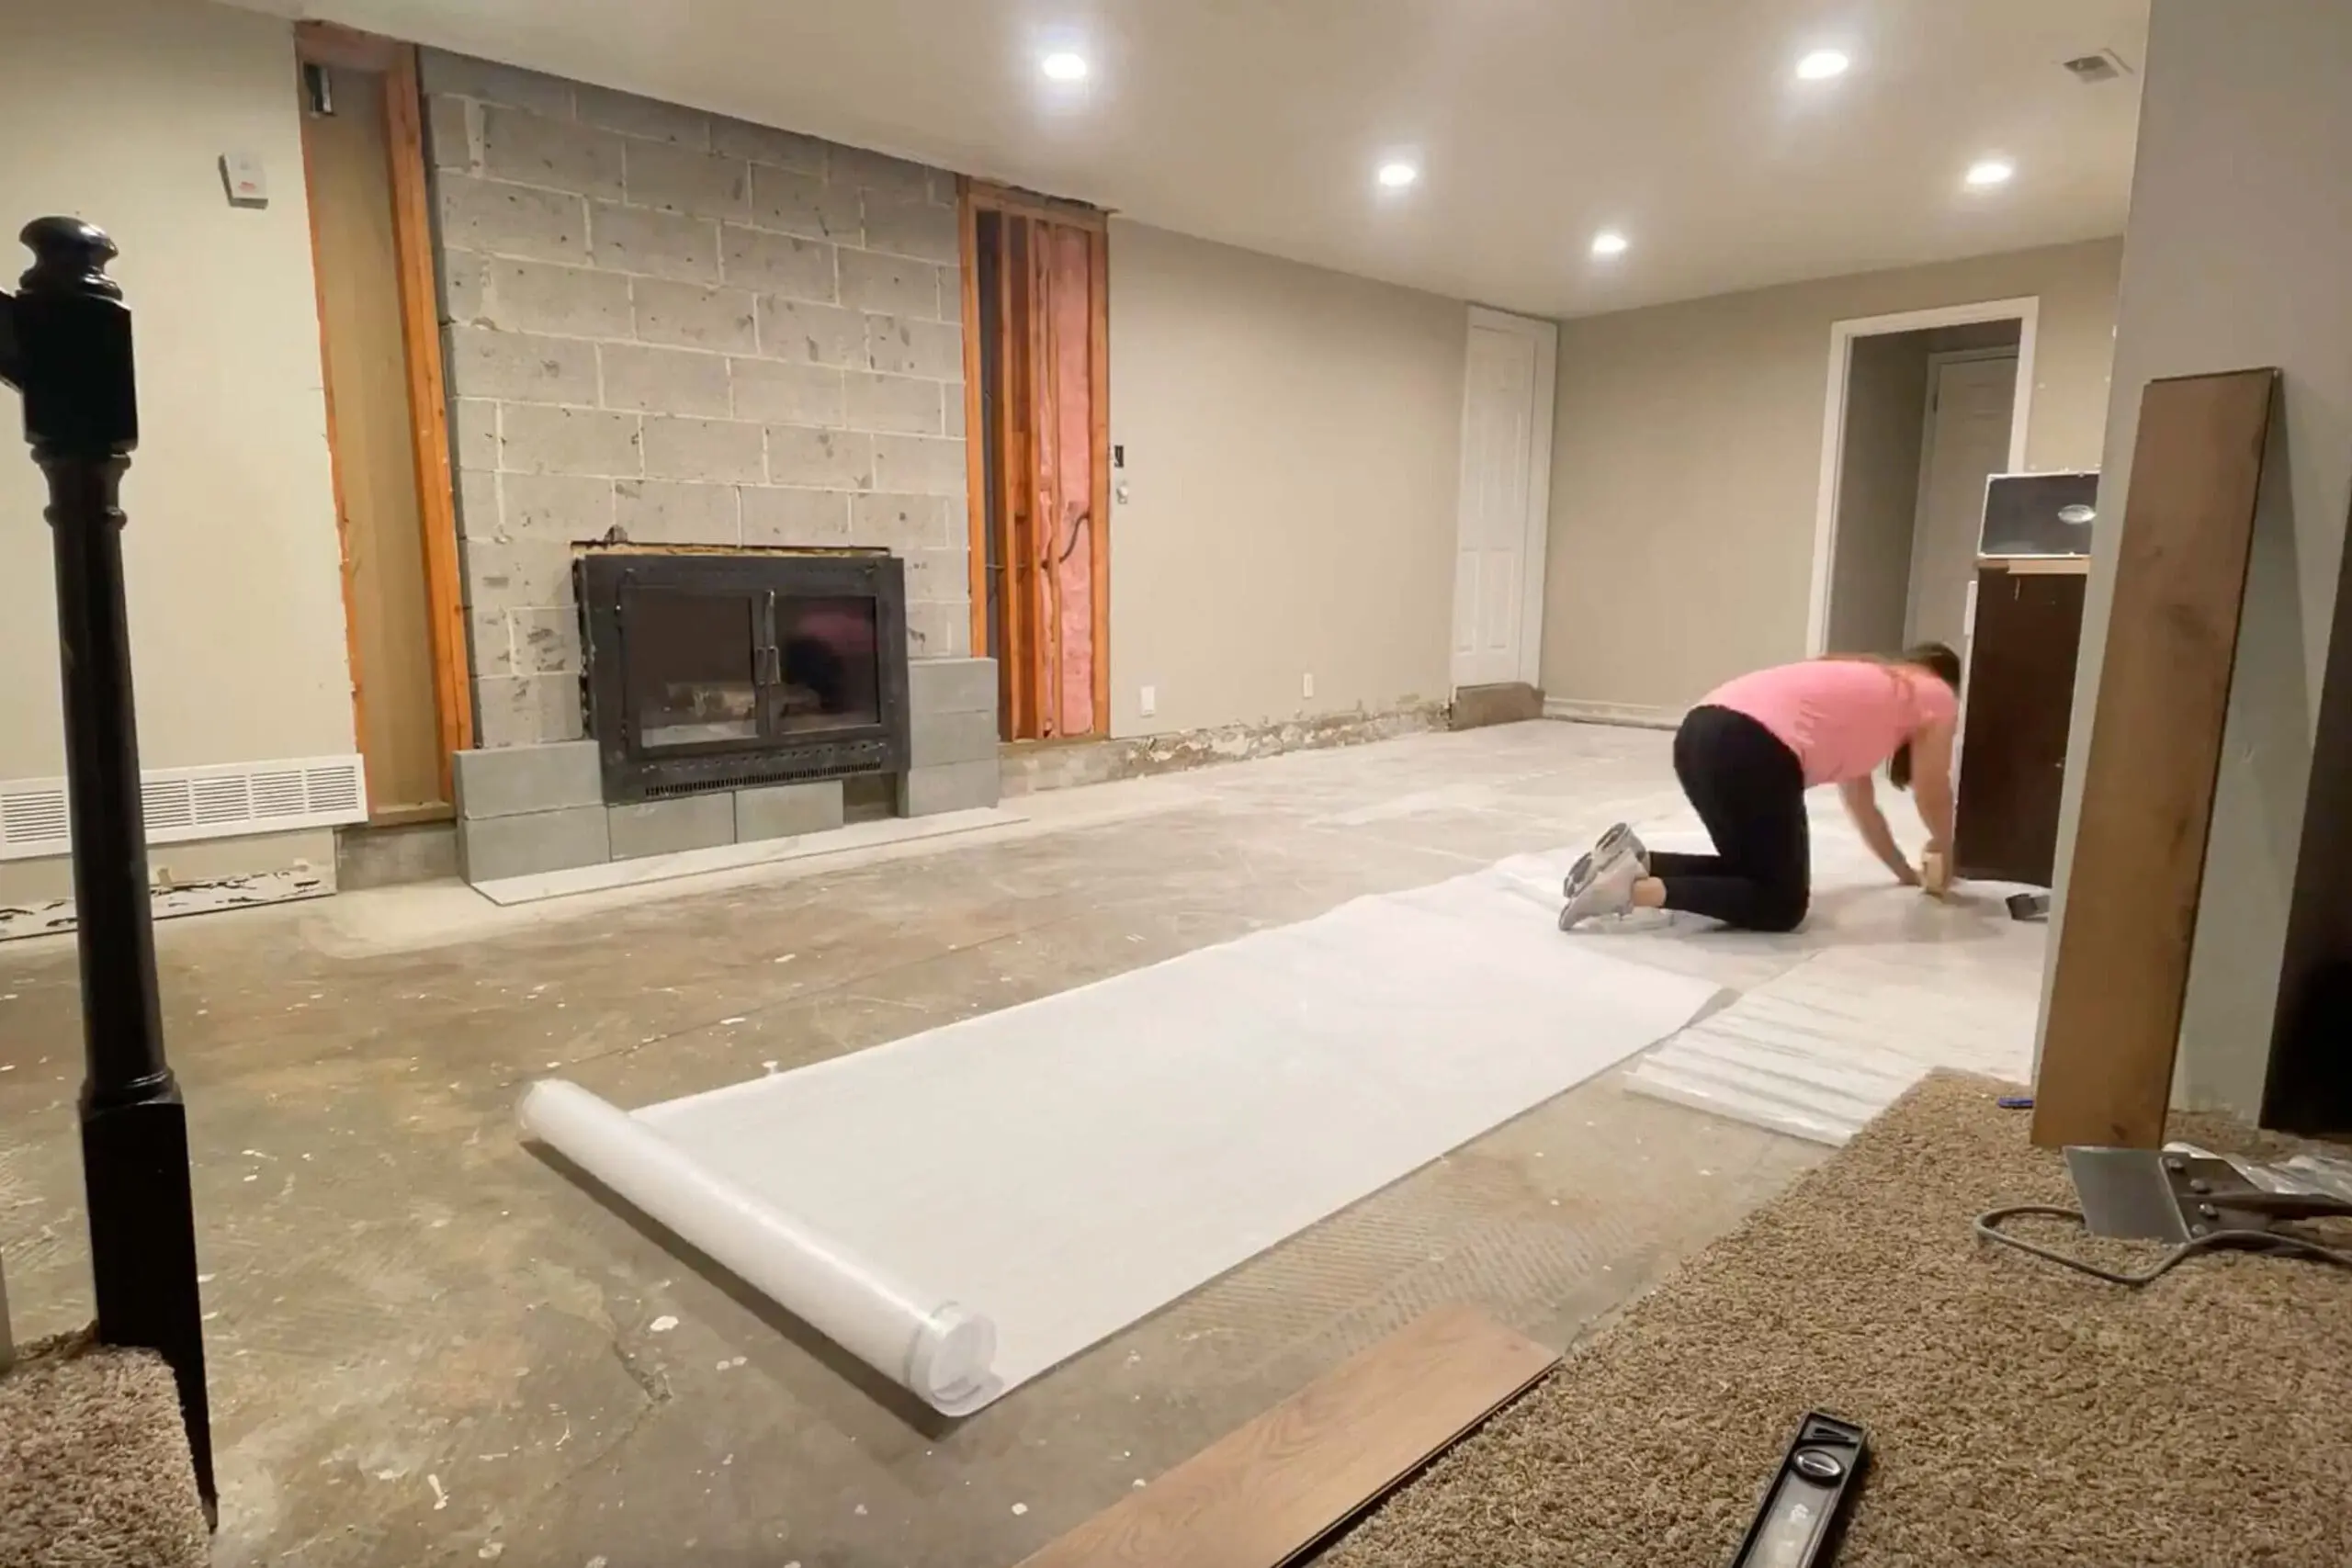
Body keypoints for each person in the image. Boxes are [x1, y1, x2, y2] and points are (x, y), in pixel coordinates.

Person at [1557, 644, 1962, 933]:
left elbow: (1864, 808)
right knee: (1781, 905)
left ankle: (1634, 860)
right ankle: (1631, 891)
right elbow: (1932, 789)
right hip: (1754, 747)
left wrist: (1904, 872)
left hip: (1699, 732)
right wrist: (1947, 846)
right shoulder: (1936, 694)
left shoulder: (1873, 691)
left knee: (1753, 873)